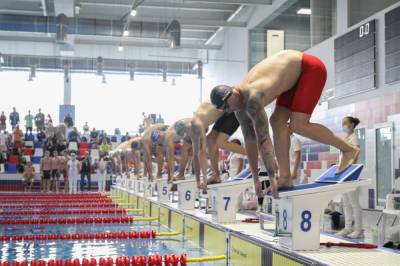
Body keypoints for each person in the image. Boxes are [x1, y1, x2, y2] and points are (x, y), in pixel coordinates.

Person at [210, 50, 359, 198]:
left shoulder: (253, 99)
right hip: (291, 77)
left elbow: (264, 140)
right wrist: (255, 178)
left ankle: (349, 149)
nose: (229, 110)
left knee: (298, 125)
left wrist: (271, 177)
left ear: (234, 93)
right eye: (225, 109)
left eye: (228, 106)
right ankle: (285, 178)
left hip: (309, 68)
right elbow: (250, 141)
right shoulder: (238, 108)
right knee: (276, 121)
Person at [184, 101, 246, 191]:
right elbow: (196, 157)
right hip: (225, 112)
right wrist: (198, 181)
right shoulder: (195, 124)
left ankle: (254, 154)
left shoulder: (198, 125)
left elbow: (201, 154)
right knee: (210, 140)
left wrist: (204, 180)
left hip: (233, 109)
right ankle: (215, 175)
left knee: (220, 142)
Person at [336, 116, 363, 238]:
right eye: (342, 123)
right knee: (345, 202)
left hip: (350, 173)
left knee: (354, 203)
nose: (343, 126)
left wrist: (349, 169)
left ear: (352, 125)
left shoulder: (354, 138)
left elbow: (355, 155)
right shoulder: (346, 138)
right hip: (343, 173)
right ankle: (348, 227)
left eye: (345, 123)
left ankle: (358, 229)